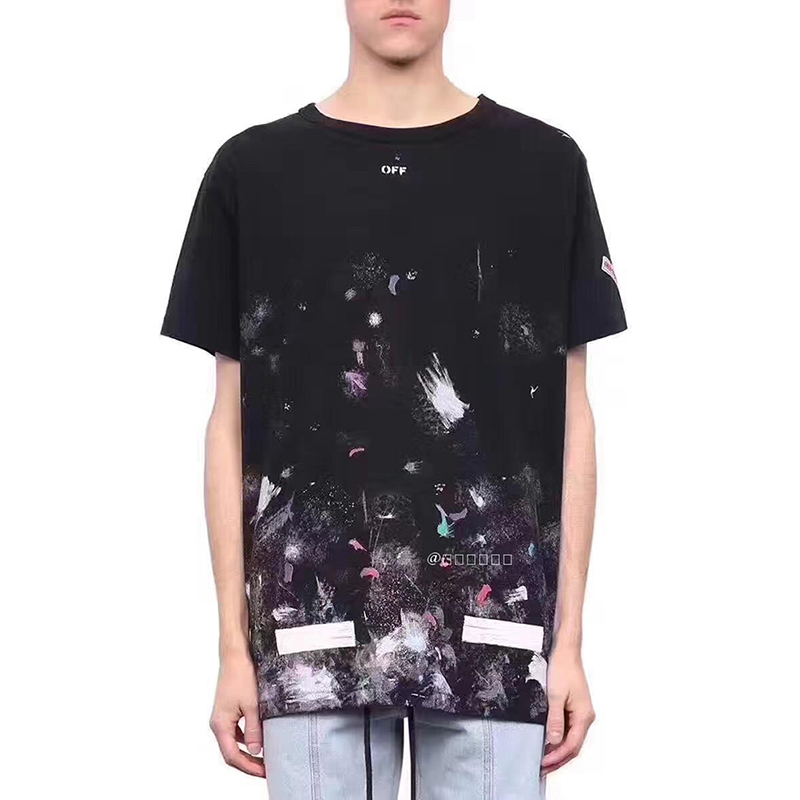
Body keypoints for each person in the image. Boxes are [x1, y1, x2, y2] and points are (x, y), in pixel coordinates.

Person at [161, 1, 627, 797]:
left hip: (496, 629)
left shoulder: (544, 166)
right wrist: (232, 648)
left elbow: (571, 417)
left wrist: (572, 642)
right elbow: (228, 421)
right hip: (310, 629)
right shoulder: (254, 171)